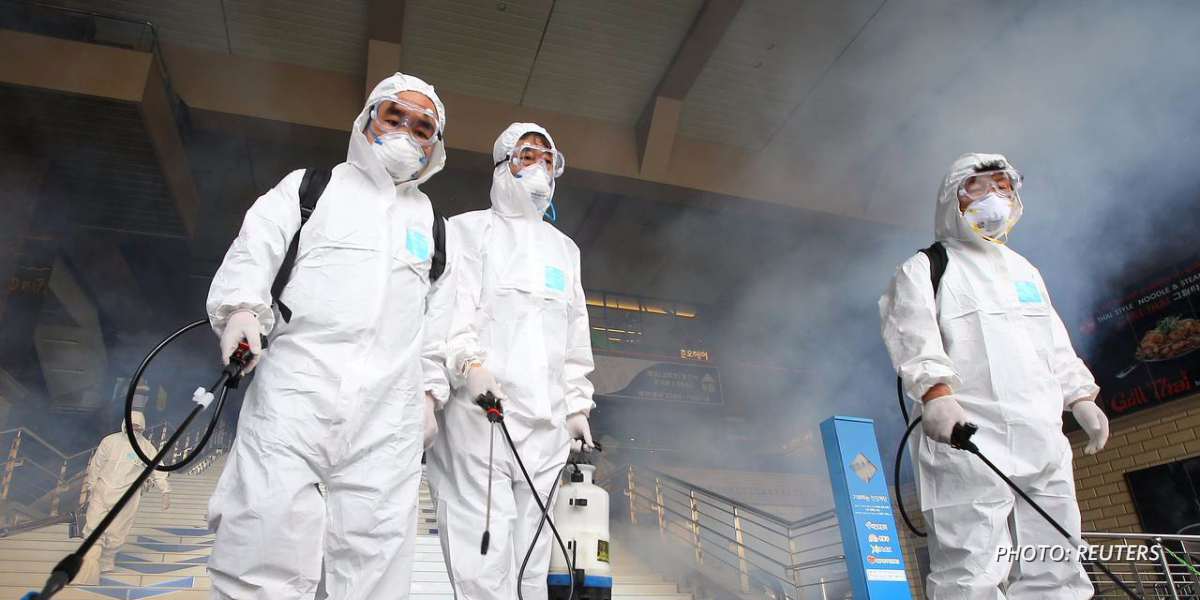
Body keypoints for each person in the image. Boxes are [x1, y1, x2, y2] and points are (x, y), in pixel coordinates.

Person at [204, 72, 453, 600]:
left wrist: (430, 394)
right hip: (295, 399)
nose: (406, 133)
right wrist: (242, 311)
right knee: (261, 541)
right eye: (394, 117)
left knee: (375, 562)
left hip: (387, 419)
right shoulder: (311, 189)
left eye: (422, 127)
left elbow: (438, 321)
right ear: (367, 120)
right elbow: (254, 249)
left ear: (435, 146)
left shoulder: (433, 225)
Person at [879, 152, 1110, 599]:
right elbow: (910, 332)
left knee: (1056, 557)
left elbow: (1053, 341)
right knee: (971, 565)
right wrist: (935, 393)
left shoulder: (1024, 270)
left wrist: (1081, 397)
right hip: (968, 434)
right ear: (953, 198)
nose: (994, 197)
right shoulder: (926, 267)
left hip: (1041, 431)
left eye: (1003, 186)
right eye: (979, 187)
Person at [426, 123, 595, 600]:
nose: (539, 167)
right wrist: (469, 364)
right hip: (482, 418)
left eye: (548, 160)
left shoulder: (565, 250)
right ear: (503, 164)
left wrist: (576, 405)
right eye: (527, 156)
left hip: (546, 427)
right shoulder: (467, 230)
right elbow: (450, 310)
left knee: (533, 561)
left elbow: (574, 334)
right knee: (483, 557)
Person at [77, 410, 170, 585]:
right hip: (101, 491)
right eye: (130, 425)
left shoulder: (146, 448)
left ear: (142, 427)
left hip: (127, 496)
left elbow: (157, 468)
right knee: (93, 527)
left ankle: (106, 560)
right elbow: (96, 464)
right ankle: (89, 563)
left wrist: (165, 491)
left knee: (117, 531)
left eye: (137, 426)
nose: (133, 429)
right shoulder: (109, 441)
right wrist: (91, 485)